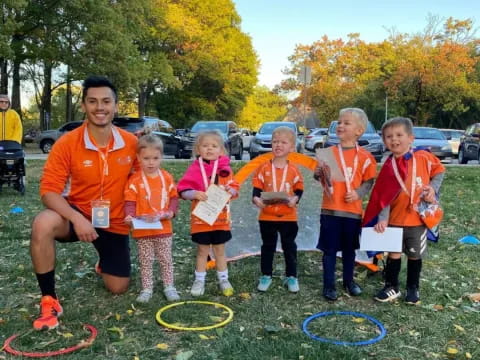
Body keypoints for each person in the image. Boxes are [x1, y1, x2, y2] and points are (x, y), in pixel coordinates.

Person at [30, 76, 138, 330]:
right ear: (83, 105)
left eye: (106, 101)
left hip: (113, 220)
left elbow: (145, 182)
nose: (99, 107)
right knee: (42, 223)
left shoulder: (131, 143)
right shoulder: (67, 143)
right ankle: (49, 299)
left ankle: (103, 260)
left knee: (118, 288)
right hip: (76, 214)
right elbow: (48, 192)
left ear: (116, 106)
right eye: (92, 101)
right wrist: (78, 218)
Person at [364, 117, 445, 305]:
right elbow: (382, 197)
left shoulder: (424, 157)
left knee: (415, 255)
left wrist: (433, 188)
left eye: (399, 135)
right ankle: (391, 286)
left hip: (417, 221)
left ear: (411, 138)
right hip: (394, 220)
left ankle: (412, 288)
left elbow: (439, 171)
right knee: (394, 254)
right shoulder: (388, 166)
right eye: (389, 136)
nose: (394, 139)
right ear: (384, 141)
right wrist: (383, 218)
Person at [314, 108, 377, 301]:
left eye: (346, 123)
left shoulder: (366, 157)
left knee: (350, 250)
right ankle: (329, 284)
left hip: (352, 213)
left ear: (359, 130)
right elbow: (319, 177)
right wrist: (319, 172)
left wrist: (358, 193)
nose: (340, 126)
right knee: (329, 250)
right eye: (339, 122)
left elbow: (369, 181)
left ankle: (349, 281)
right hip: (330, 210)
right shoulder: (328, 153)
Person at [177, 131, 239, 297]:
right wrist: (194, 194)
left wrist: (230, 190)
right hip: (201, 219)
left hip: (220, 220)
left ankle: (224, 279)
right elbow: (182, 190)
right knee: (202, 251)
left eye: (214, 146)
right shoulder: (195, 168)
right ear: (198, 149)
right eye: (205, 146)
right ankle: (199, 280)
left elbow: (234, 187)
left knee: (220, 250)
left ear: (221, 150)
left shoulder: (226, 168)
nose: (209, 149)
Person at [124, 134, 180, 303]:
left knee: (165, 259)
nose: (151, 162)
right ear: (138, 158)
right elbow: (130, 201)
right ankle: (147, 288)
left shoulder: (167, 177)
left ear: (161, 157)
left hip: (163, 228)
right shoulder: (134, 180)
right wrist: (129, 215)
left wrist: (171, 212)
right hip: (143, 229)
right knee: (146, 260)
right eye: (146, 158)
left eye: (155, 158)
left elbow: (174, 198)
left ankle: (169, 286)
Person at [252, 126, 304, 293]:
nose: (278, 145)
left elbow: (299, 189)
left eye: (283, 142)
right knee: (268, 246)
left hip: (288, 217)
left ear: (292, 147)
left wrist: (295, 198)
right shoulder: (263, 168)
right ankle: (266, 275)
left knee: (289, 246)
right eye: (275, 141)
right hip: (267, 216)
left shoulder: (294, 169)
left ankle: (292, 276)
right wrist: (257, 200)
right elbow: (256, 190)